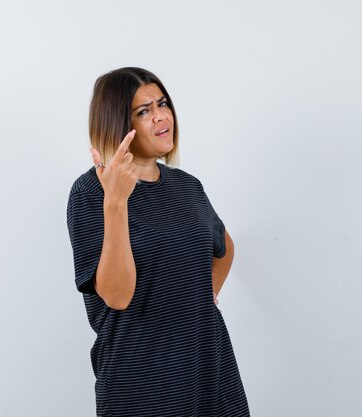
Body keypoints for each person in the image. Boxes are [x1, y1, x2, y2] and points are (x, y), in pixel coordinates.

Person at [66, 67, 250, 417]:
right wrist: (116, 202)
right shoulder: (91, 193)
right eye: (144, 111)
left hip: (206, 367)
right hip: (142, 381)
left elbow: (224, 249)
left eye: (161, 103)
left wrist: (201, 300)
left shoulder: (187, 186)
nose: (161, 116)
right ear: (117, 124)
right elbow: (117, 297)